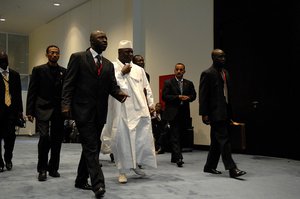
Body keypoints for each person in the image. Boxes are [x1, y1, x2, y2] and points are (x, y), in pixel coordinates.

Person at [61, 30, 128, 198]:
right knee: (91, 147)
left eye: (106, 38)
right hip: (82, 110)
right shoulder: (77, 57)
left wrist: (121, 95)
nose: (105, 40)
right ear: (91, 41)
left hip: (99, 112)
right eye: (101, 38)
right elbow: (69, 83)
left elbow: (112, 87)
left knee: (92, 146)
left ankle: (80, 179)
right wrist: (65, 105)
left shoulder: (107, 64)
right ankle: (98, 185)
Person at [101, 40, 157, 184]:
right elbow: (108, 85)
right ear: (119, 53)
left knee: (141, 139)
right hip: (121, 110)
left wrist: (150, 104)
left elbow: (147, 88)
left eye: (131, 52)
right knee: (121, 140)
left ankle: (136, 165)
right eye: (127, 52)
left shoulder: (139, 69)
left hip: (139, 110)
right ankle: (122, 171)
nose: (130, 55)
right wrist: (121, 73)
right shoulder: (111, 67)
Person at [199, 49, 246, 178]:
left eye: (224, 56)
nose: (223, 59)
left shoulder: (226, 73)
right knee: (224, 140)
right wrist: (204, 113)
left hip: (225, 111)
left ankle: (209, 166)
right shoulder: (207, 73)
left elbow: (227, 94)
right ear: (213, 58)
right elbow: (203, 95)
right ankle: (232, 168)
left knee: (216, 141)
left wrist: (231, 113)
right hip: (215, 112)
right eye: (220, 57)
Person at [26, 45, 66, 181]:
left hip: (58, 111)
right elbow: (32, 91)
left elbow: (66, 93)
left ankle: (53, 168)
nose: (54, 55)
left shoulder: (64, 72)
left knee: (57, 140)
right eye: (52, 53)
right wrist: (29, 111)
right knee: (44, 138)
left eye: (57, 53)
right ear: (47, 54)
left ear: (59, 55)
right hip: (42, 108)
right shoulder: (38, 70)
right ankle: (42, 169)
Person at [162, 63, 196, 167]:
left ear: (184, 71)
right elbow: (165, 96)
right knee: (175, 135)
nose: (179, 71)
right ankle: (179, 158)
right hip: (172, 113)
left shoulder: (189, 83)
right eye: (177, 69)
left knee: (181, 135)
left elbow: (194, 95)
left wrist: (188, 98)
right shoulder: (168, 82)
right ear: (174, 71)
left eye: (181, 70)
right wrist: (178, 97)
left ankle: (174, 156)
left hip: (184, 113)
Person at [0, 50, 24, 172]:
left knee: (10, 138)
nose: (3, 62)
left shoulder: (15, 75)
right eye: (1, 60)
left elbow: (18, 94)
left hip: (11, 112)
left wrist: (20, 111)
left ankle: (8, 158)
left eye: (5, 60)